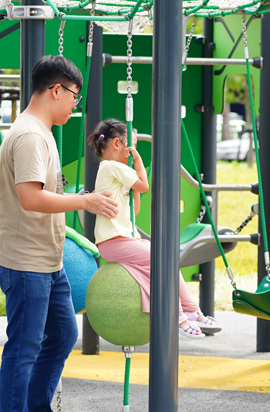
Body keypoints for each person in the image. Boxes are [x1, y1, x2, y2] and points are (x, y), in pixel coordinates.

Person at [0, 55, 119, 412]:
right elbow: (29, 197)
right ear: (56, 90)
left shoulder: (41, 132)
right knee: (24, 346)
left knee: (62, 334)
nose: (75, 106)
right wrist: (86, 201)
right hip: (24, 259)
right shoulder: (29, 136)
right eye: (74, 96)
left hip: (46, 258)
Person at [87, 118, 222, 338]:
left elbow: (135, 210)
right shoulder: (112, 166)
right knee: (160, 257)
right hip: (113, 241)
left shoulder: (113, 172)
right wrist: (139, 163)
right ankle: (178, 315)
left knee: (164, 256)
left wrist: (133, 187)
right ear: (116, 145)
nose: (132, 153)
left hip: (120, 240)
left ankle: (190, 308)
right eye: (132, 147)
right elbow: (145, 186)